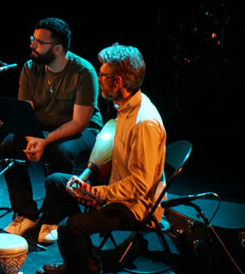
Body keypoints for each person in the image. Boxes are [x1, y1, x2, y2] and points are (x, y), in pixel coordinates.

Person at [36, 43, 167, 274]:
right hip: (118, 192)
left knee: (69, 227)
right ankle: (87, 260)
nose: (98, 79)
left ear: (118, 82)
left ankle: (81, 268)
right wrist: (86, 179)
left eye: (103, 75)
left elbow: (140, 185)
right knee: (56, 181)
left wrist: (99, 194)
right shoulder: (125, 108)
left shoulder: (144, 122)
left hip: (136, 207)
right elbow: (113, 158)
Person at [2, 17, 103, 242]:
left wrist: (44, 142)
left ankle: (54, 217)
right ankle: (26, 214)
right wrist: (32, 139)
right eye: (33, 39)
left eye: (39, 42)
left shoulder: (83, 71)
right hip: (40, 127)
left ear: (57, 48)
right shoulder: (30, 68)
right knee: (9, 145)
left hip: (81, 129)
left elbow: (79, 122)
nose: (32, 45)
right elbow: (24, 111)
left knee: (61, 151)